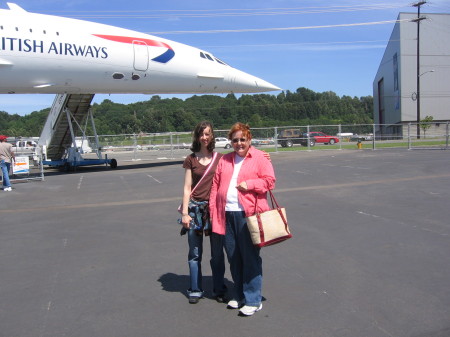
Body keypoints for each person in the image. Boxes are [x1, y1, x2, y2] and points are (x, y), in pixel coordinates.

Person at [209, 122, 276, 316]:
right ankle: (239, 295)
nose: (239, 143)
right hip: (226, 214)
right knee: (234, 257)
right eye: (235, 140)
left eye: (242, 139)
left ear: (249, 139)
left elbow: (269, 181)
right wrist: (214, 213)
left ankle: (253, 299)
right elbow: (215, 186)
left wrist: (250, 184)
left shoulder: (260, 157)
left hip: (249, 215)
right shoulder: (225, 160)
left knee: (250, 258)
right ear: (230, 141)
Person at [180, 121, 227, 304]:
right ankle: (195, 288)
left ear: (212, 135)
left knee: (217, 253)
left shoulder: (221, 158)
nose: (204, 137)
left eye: (207, 134)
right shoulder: (191, 159)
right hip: (195, 210)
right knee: (194, 253)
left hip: (214, 210)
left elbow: (243, 160)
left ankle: (218, 289)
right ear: (197, 136)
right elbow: (186, 188)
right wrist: (185, 213)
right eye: (201, 134)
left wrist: (264, 156)